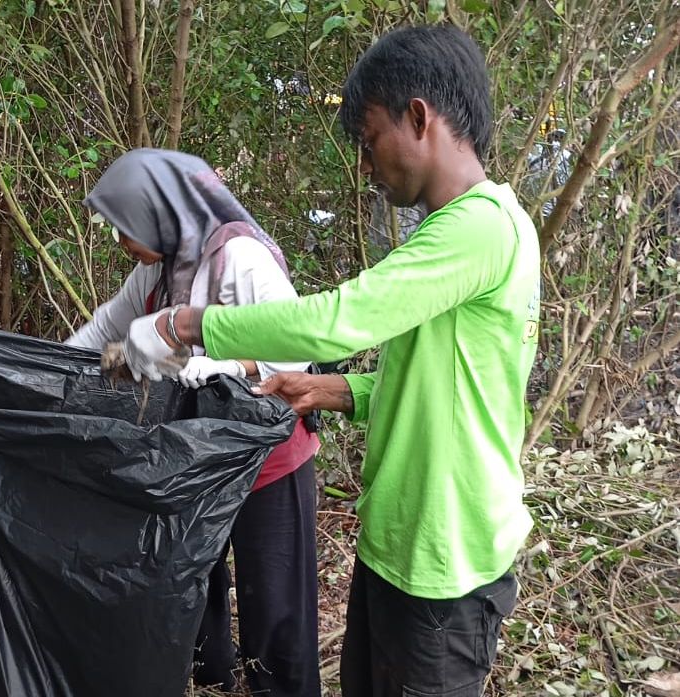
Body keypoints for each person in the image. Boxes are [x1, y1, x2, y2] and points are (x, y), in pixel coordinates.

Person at [115, 26, 541, 697]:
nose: (366, 167)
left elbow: (336, 319)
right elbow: (449, 379)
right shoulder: (450, 233)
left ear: (419, 117)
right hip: (398, 544)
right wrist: (337, 390)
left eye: (369, 140)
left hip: (445, 562)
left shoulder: (480, 226)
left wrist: (183, 323)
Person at [66, 148, 322, 696]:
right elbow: (103, 334)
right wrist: (46, 372)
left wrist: (214, 366)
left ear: (160, 214)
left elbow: (296, 355)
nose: (120, 242)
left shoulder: (239, 259)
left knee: (275, 608)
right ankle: (214, 676)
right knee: (192, 583)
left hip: (266, 463)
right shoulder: (158, 270)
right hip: (198, 463)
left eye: (125, 228)